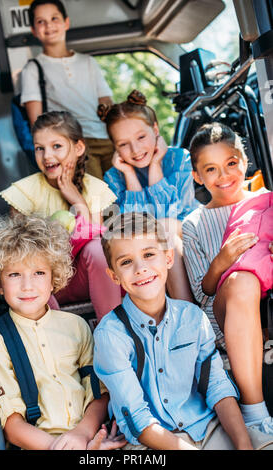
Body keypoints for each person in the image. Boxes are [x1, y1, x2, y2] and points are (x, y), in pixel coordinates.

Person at [92, 211, 273, 450]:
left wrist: (243, 444)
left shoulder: (193, 318)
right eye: (126, 262)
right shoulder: (110, 335)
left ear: (168, 258)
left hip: (206, 428)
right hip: (152, 443)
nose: (140, 268)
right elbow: (138, 420)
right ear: (114, 276)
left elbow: (217, 387)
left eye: (149, 254)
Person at [0, 213, 126, 450]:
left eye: (39, 273)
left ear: (53, 277)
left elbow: (100, 394)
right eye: (14, 274)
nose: (28, 285)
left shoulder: (76, 326)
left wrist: (82, 436)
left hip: (89, 437)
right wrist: (64, 448)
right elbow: (12, 425)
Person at [182, 122, 273, 435]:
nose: (224, 176)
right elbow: (202, 293)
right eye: (211, 169)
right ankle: (255, 411)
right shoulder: (194, 223)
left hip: (268, 297)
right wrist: (222, 261)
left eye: (231, 164)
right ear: (197, 176)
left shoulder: (268, 201)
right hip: (225, 307)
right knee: (242, 281)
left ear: (244, 161)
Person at [0, 111, 121, 321]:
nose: (47, 156)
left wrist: (78, 202)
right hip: (45, 285)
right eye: (40, 148)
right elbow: (18, 254)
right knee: (30, 267)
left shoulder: (93, 189)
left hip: (85, 279)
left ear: (78, 148)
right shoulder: (25, 192)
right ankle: (56, 332)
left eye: (56, 146)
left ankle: (112, 327)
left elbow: (98, 241)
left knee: (98, 247)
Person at [99, 89, 199, 301]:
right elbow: (133, 227)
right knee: (154, 236)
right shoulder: (113, 177)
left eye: (141, 137)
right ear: (115, 148)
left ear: (155, 129)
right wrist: (129, 176)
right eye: (123, 144)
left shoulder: (179, 159)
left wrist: (155, 166)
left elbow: (171, 215)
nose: (135, 149)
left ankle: (185, 306)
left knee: (165, 228)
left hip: (186, 229)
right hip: (148, 244)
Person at [21, 0, 114, 179]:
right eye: (41, 21)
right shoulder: (33, 68)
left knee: (126, 194)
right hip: (74, 146)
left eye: (54, 18)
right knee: (97, 202)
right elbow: (37, 124)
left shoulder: (88, 62)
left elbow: (106, 103)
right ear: (33, 30)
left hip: (106, 139)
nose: (48, 25)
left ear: (66, 22)